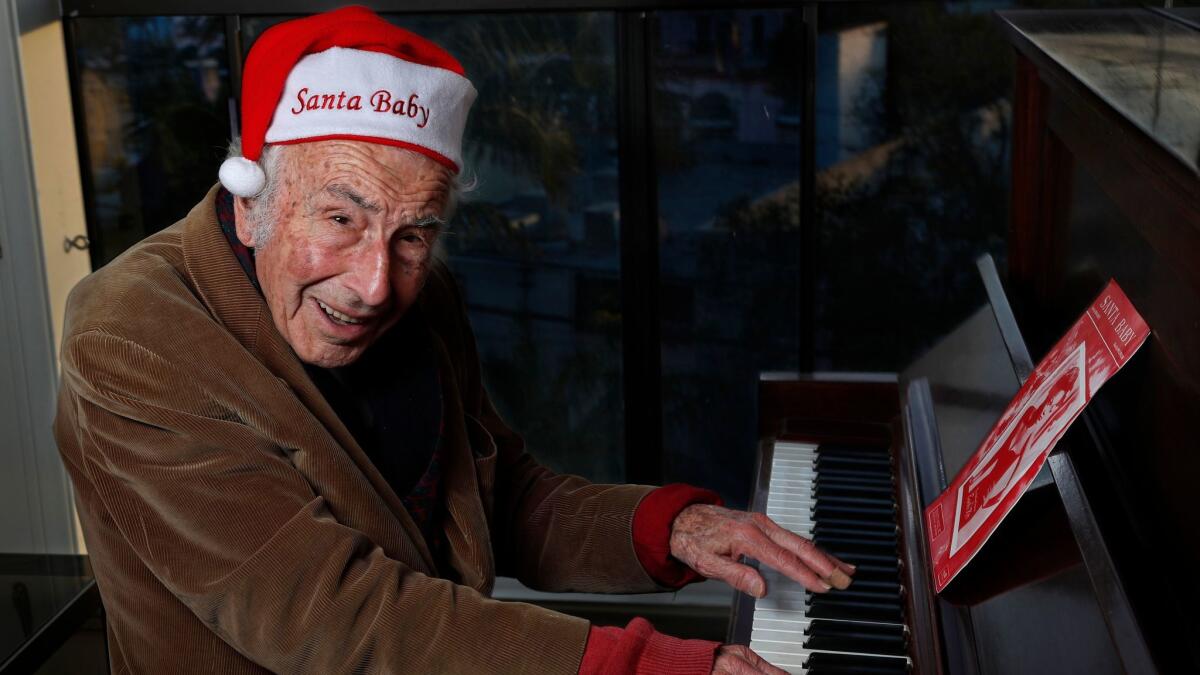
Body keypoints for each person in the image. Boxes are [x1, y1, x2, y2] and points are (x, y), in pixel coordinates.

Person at [53, 7, 852, 674]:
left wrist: (670, 529)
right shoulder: (129, 338)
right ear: (253, 192)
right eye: (341, 218)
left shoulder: (420, 294)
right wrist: (642, 665)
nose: (375, 283)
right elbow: (329, 615)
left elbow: (506, 501)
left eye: (413, 233)